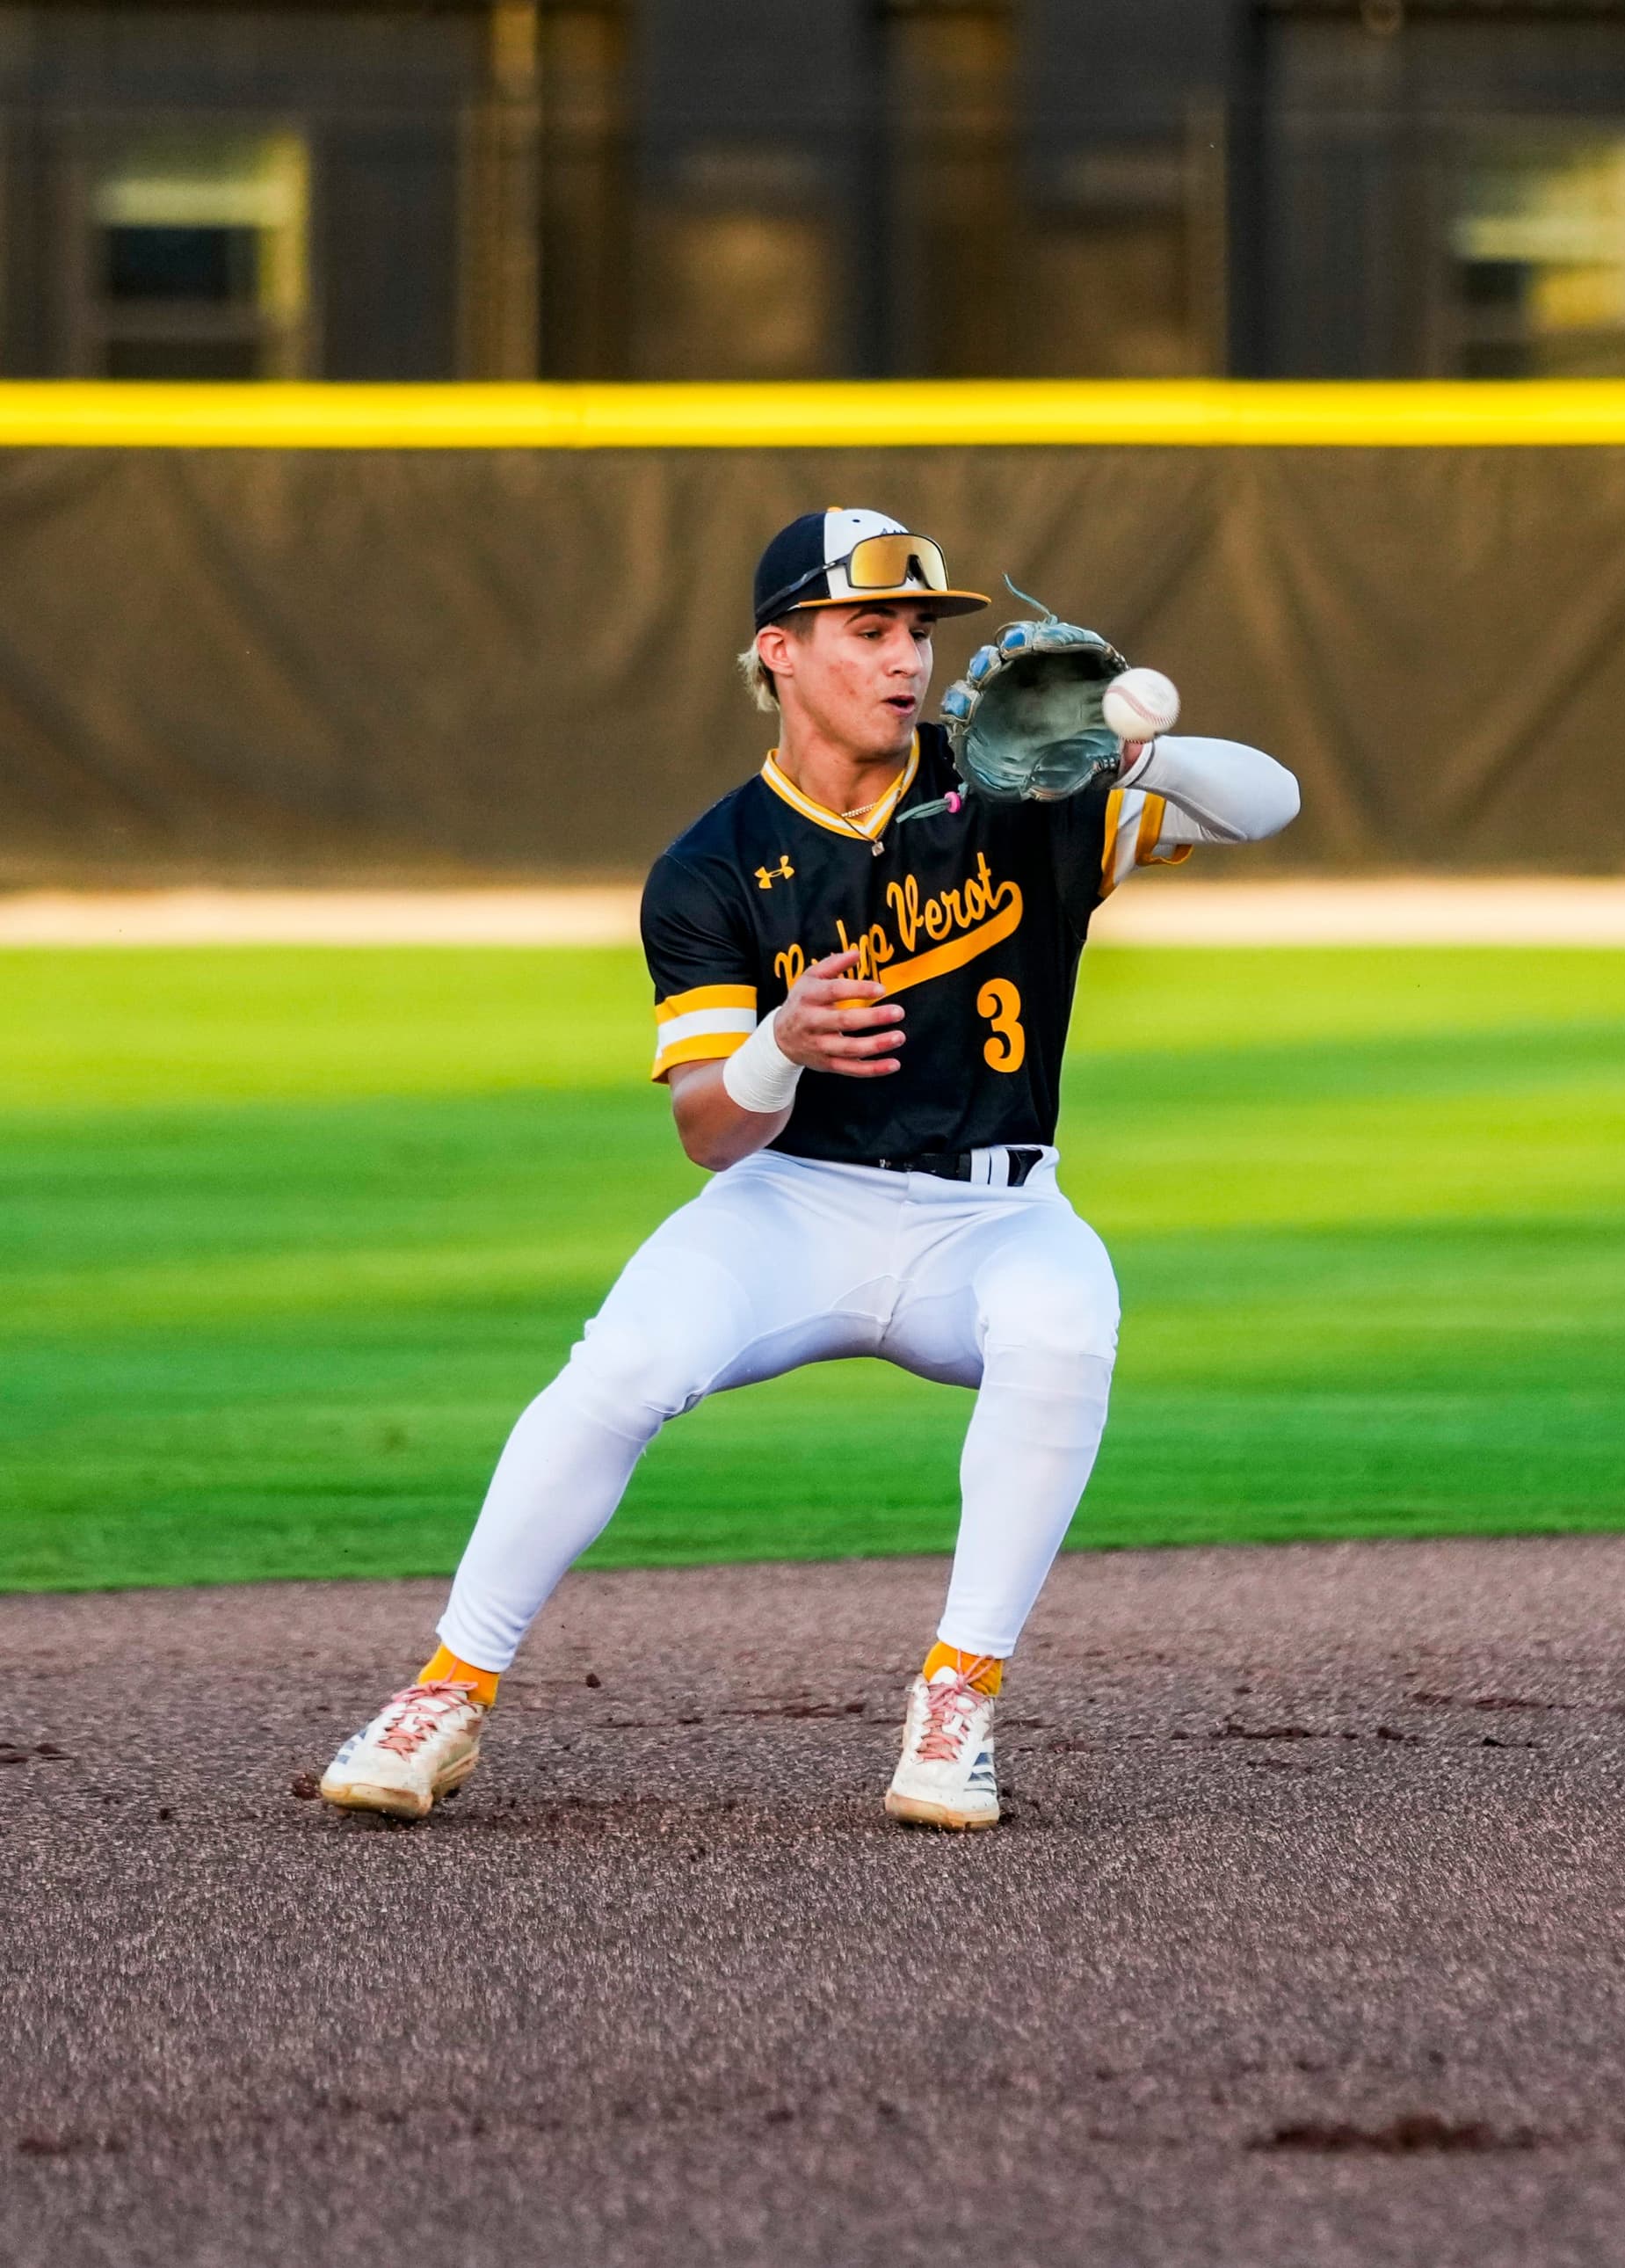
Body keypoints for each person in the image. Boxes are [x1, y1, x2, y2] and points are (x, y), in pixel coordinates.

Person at [317, 508, 1299, 1831]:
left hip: (996, 1215)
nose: (905, 660)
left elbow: (1271, 805)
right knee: (619, 1366)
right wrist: (779, 1047)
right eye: (869, 630)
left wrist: (1144, 748)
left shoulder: (1022, 779)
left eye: (917, 634)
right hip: (794, 1206)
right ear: (780, 652)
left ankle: (958, 1699)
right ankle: (445, 1694)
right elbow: (712, 1134)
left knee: (1067, 1327)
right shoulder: (711, 868)